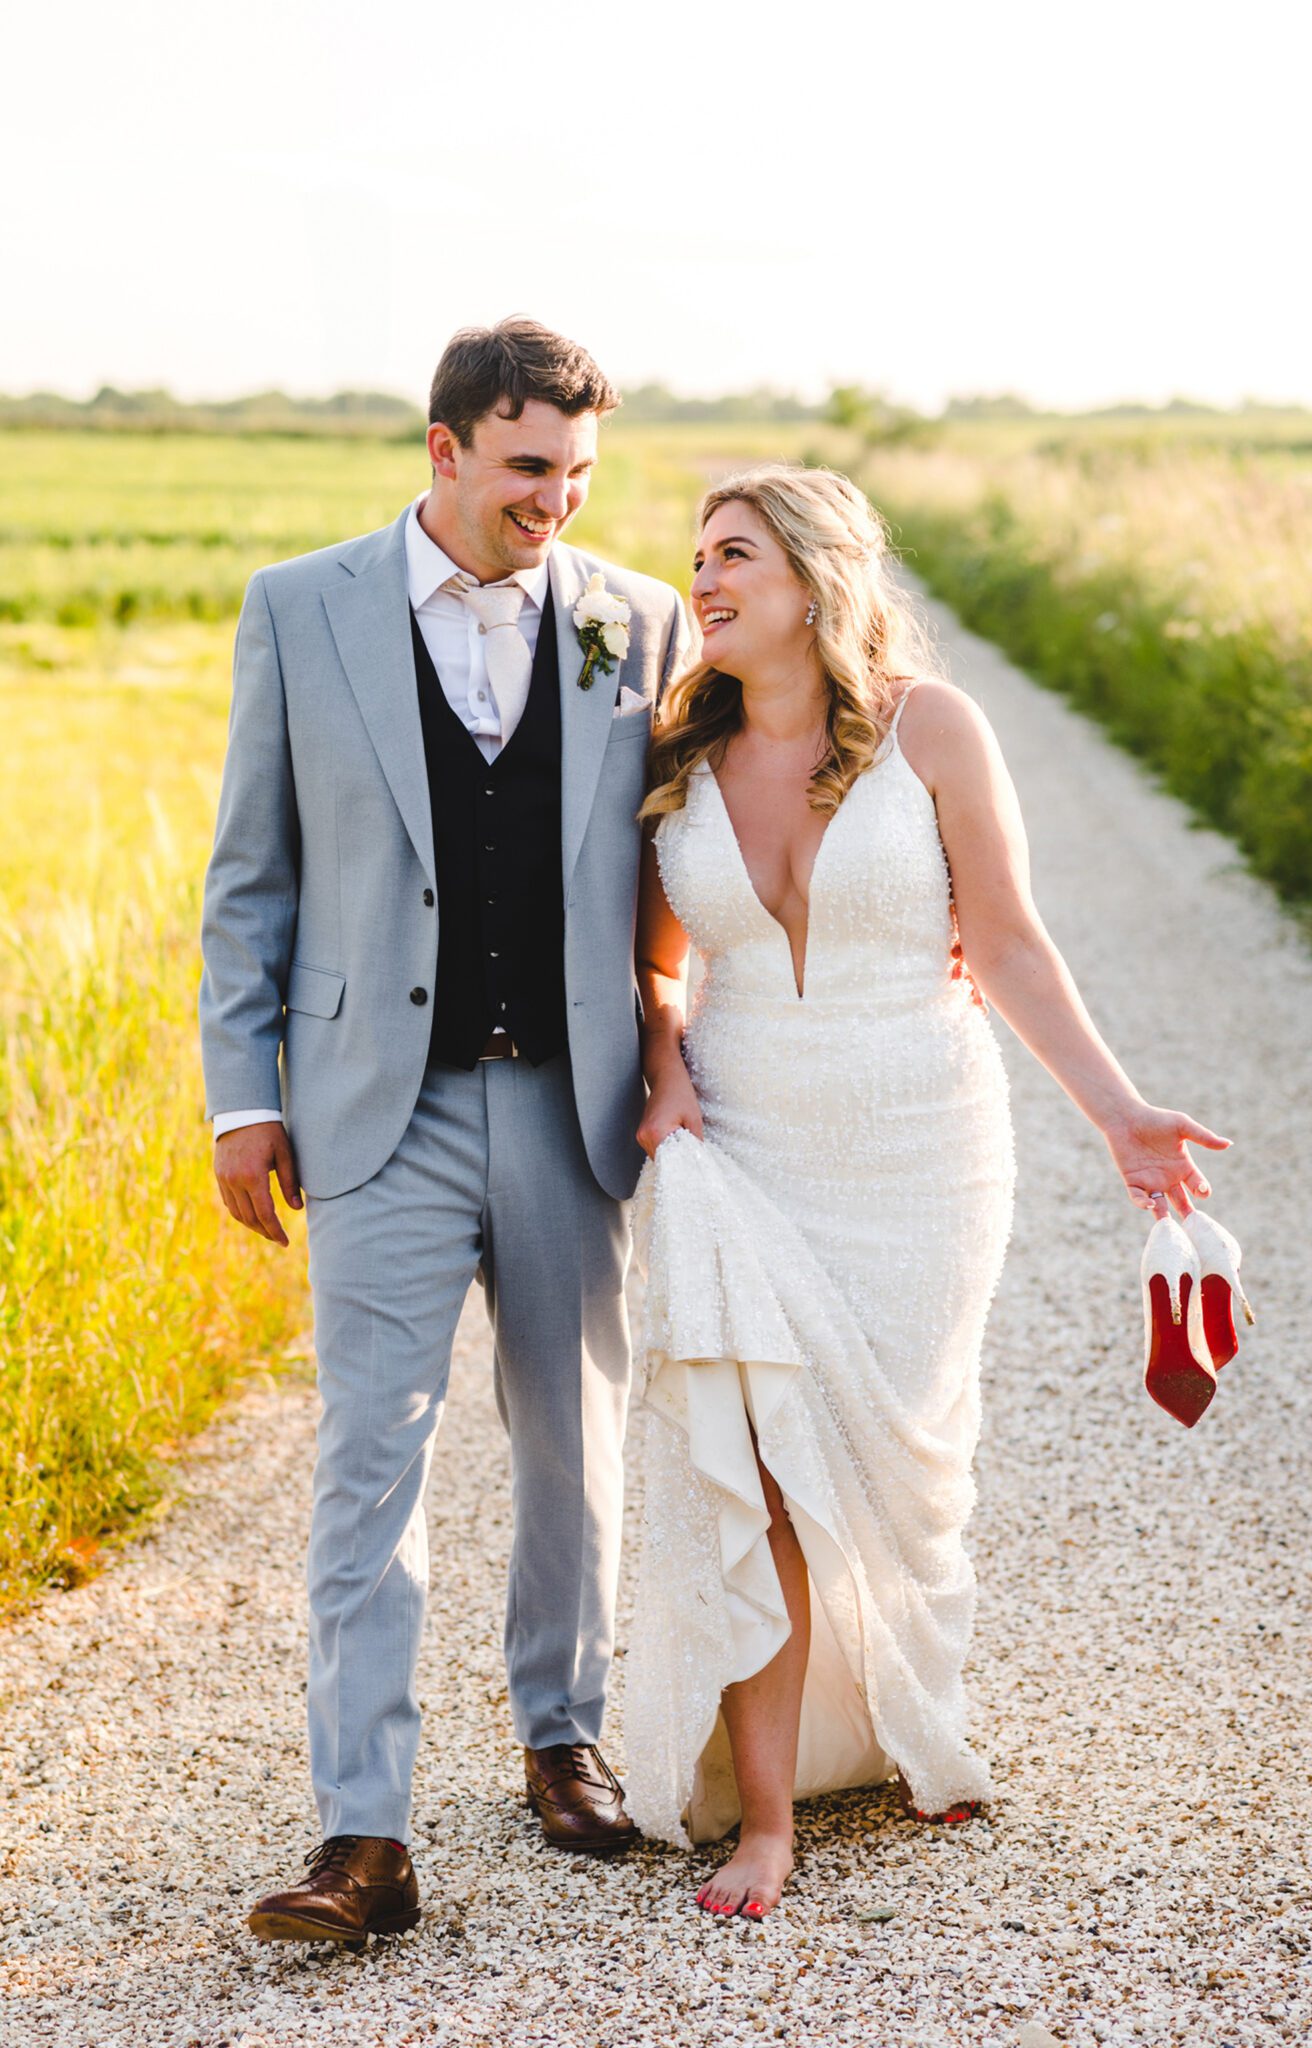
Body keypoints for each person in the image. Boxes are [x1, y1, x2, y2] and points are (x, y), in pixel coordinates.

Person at [623, 464, 1229, 1918]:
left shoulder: (931, 728)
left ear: (818, 575)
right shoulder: (675, 755)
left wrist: (1121, 1115)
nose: (701, 581)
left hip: (919, 1145)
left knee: (904, 1477)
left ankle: (905, 1719)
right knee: (761, 1465)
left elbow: (1009, 944)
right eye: (697, 557)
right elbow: (655, 963)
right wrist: (663, 1061)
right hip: (743, 1144)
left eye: (733, 556)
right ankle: (765, 1819)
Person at [200, 319, 691, 1946]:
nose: (556, 500)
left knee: (572, 1443)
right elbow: (250, 878)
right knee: (369, 1462)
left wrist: (685, 1023)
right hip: (373, 1108)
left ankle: (565, 1739)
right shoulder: (300, 607)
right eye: (529, 466)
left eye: (579, 473)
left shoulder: (642, 619)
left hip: (568, 1101)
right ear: (446, 449)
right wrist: (246, 1095)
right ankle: (363, 1834)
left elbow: (674, 865)